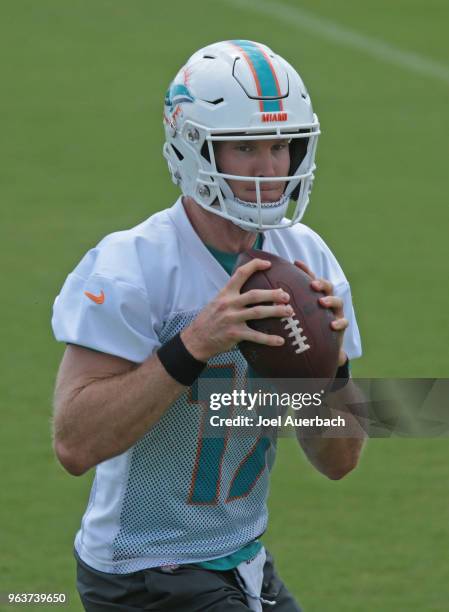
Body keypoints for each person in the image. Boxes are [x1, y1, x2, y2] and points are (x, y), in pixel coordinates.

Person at [52, 40, 364, 611]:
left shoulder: (308, 260)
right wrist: (194, 343)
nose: (270, 169)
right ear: (193, 149)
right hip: (143, 568)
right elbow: (73, 443)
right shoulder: (134, 266)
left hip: (245, 559)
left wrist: (330, 367)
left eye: (281, 145)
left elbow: (339, 461)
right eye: (244, 146)